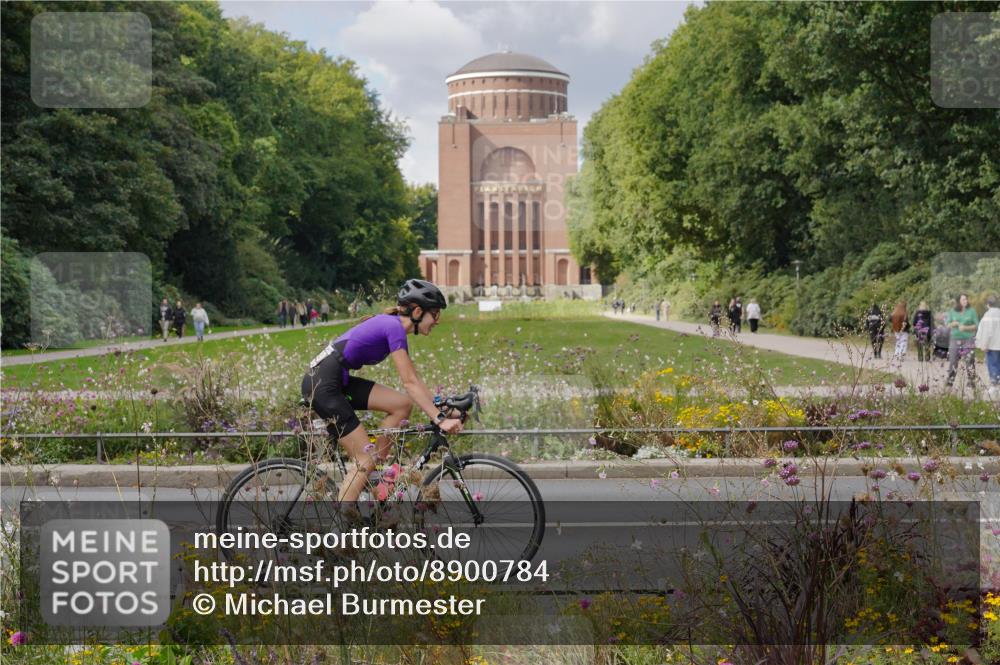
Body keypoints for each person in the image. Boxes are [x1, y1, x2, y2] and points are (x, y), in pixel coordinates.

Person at [301, 278, 463, 506]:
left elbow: (414, 379)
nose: (437, 320)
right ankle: (340, 533)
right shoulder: (394, 327)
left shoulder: (394, 327)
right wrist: (438, 419)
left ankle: (377, 477)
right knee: (363, 460)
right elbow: (409, 382)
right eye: (435, 314)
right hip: (322, 384)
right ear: (417, 311)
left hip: (335, 379)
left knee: (401, 405)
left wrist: (439, 406)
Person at [944, 293, 979, 388]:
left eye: (966, 299)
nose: (965, 301)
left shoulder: (972, 311)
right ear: (958, 301)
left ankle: (971, 382)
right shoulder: (952, 311)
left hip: (968, 338)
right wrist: (953, 323)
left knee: (969, 360)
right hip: (955, 338)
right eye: (963, 299)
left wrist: (966, 327)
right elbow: (947, 324)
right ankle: (950, 382)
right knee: (953, 361)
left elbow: (977, 325)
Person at [975, 295, 1000, 392]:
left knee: (992, 364)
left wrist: (983, 344)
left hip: (992, 346)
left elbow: (987, 332)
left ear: (988, 305)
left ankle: (994, 387)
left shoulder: (988, 315)